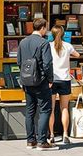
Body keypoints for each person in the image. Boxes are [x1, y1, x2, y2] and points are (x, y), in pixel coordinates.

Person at [17, 16, 55, 149]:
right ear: (43, 28)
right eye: (46, 28)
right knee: (45, 110)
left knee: (30, 110)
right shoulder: (43, 43)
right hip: (40, 81)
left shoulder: (23, 42)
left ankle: (30, 140)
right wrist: (50, 79)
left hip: (26, 81)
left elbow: (19, 62)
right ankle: (42, 141)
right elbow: (47, 63)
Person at [48, 22, 76, 145]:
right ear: (63, 34)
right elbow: (78, 54)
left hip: (52, 79)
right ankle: (65, 134)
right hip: (65, 79)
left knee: (51, 109)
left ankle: (52, 134)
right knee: (64, 108)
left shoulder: (48, 46)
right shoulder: (68, 46)